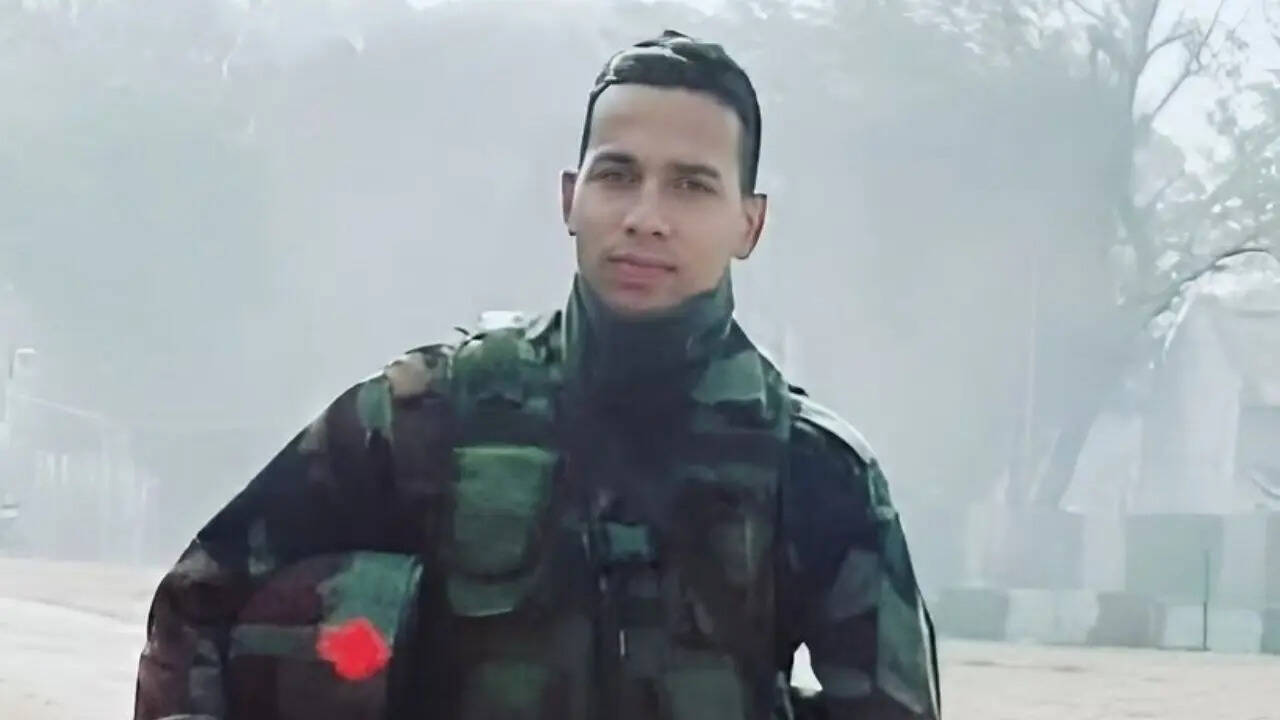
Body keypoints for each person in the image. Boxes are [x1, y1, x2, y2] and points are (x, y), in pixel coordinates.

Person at [134, 30, 941, 720]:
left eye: (691, 186)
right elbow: (199, 602)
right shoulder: (431, 416)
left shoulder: (814, 474)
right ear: (570, 199)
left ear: (749, 223)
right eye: (617, 175)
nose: (645, 217)